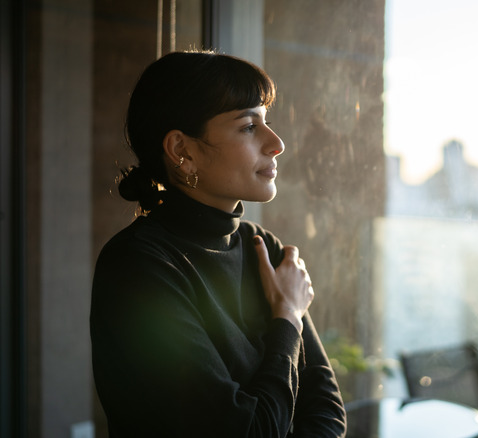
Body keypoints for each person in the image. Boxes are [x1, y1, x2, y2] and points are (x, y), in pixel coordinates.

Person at [90, 50, 347, 437]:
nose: (276, 143)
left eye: (267, 122)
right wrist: (288, 319)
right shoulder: (138, 266)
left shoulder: (265, 248)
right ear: (182, 151)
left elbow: (328, 411)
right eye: (248, 127)